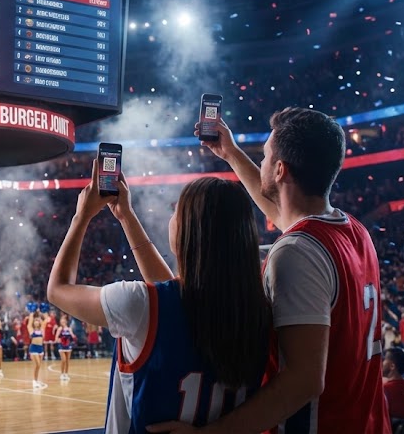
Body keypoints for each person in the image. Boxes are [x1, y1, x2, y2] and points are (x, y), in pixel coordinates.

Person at [149, 108, 390, 433]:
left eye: (263, 157)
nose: (259, 163)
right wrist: (231, 154)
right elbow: (288, 220)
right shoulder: (353, 230)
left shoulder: (296, 252)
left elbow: (304, 381)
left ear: (279, 169)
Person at [47, 162, 271, 433]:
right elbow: (169, 293)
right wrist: (126, 217)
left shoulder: (136, 304)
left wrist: (80, 217)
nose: (171, 216)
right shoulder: (260, 312)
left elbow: (57, 289)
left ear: (189, 232)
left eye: (176, 210)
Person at [25, 310, 47, 389]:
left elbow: (46, 320)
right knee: (37, 364)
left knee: (39, 366)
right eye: (35, 321)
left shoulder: (42, 329)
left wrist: (43, 312)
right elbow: (29, 324)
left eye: (38, 321)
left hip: (40, 348)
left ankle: (36, 380)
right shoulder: (31, 329)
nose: (36, 322)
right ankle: (34, 381)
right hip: (33, 347)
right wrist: (31, 313)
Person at [56, 314, 76, 381]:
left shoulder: (69, 328)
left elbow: (73, 336)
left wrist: (73, 335)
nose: (63, 321)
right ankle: (62, 374)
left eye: (64, 320)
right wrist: (58, 340)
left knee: (67, 361)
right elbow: (56, 338)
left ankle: (66, 374)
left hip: (68, 345)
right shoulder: (60, 329)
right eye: (62, 320)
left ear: (66, 321)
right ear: (60, 321)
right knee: (63, 360)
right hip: (61, 345)